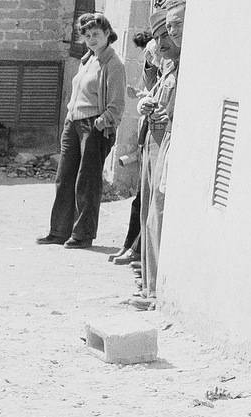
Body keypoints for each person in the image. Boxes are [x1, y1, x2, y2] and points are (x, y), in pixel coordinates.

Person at [36, 12, 127, 250]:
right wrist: (69, 118)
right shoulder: (87, 60)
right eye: (87, 35)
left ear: (108, 34)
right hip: (74, 123)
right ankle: (58, 231)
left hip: (94, 126)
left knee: (86, 181)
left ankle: (83, 234)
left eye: (96, 34)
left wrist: (102, 121)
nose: (91, 39)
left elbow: (117, 105)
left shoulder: (113, 64)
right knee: (64, 177)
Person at [135, 0, 185, 306]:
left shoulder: (187, 66)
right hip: (152, 139)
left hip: (167, 141)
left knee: (158, 213)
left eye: (171, 31)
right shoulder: (168, 66)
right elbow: (150, 91)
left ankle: (155, 291)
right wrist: (146, 103)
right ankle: (148, 286)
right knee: (147, 214)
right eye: (161, 34)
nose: (164, 40)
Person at [109, 30, 160, 266]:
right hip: (146, 136)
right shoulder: (157, 68)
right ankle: (129, 245)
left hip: (158, 140)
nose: (149, 58)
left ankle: (136, 250)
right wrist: (140, 95)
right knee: (139, 201)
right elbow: (149, 91)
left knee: (147, 201)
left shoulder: (172, 71)